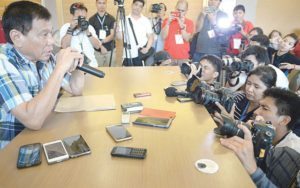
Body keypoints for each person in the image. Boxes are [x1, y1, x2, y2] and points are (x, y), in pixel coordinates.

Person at [0, 1, 85, 149]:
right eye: (44, 35)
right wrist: (59, 69)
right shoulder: (3, 62)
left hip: (42, 138)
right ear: (17, 37)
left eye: (51, 34)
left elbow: (75, 88)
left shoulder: (44, 57)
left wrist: (77, 66)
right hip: (12, 151)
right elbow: (33, 120)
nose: (52, 42)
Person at [220, 88, 300, 187]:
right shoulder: (259, 132)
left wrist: (252, 166)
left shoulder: (292, 154)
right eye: (259, 106)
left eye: (265, 108)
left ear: (284, 120)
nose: (256, 112)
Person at [60, 2, 102, 67]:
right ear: (72, 16)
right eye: (80, 18)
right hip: (74, 67)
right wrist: (71, 29)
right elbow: (64, 46)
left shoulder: (89, 28)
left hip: (92, 66)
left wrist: (88, 33)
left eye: (84, 18)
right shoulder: (66, 27)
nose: (82, 20)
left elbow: (98, 46)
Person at [116, 0, 154, 66]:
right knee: (128, 75)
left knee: (141, 76)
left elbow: (150, 37)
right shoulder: (124, 19)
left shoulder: (146, 20)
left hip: (141, 55)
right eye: (136, 4)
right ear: (132, 5)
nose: (137, 7)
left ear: (142, 8)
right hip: (127, 55)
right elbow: (120, 37)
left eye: (140, 6)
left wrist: (147, 48)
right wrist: (116, 31)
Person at [161, 0, 194, 65]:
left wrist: (182, 27)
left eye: (182, 11)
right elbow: (163, 37)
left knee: (182, 75)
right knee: (167, 75)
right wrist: (168, 23)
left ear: (186, 11)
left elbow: (187, 39)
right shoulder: (166, 20)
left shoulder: (190, 22)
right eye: (178, 10)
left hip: (183, 57)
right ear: (175, 8)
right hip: (168, 57)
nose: (180, 12)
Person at [89, 0, 116, 67]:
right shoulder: (91, 19)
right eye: (99, 3)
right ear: (96, 4)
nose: (102, 5)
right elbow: (91, 36)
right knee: (98, 72)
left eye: (104, 3)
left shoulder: (111, 18)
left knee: (112, 71)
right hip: (97, 51)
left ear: (106, 4)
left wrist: (101, 42)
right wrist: (100, 46)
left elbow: (112, 35)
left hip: (110, 50)